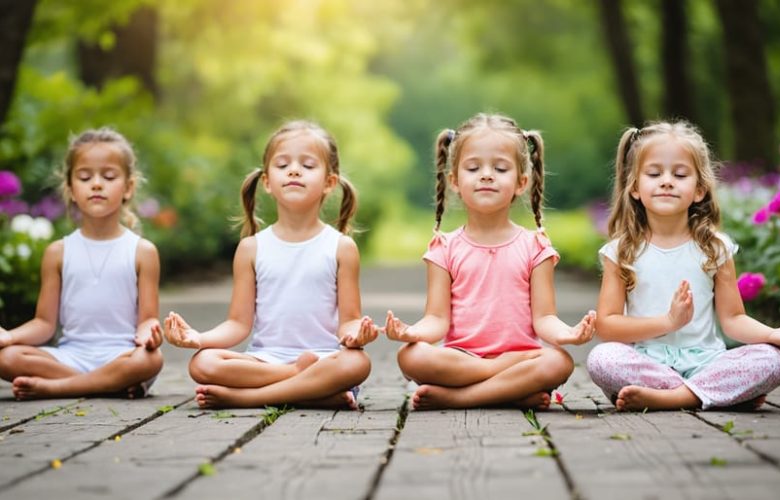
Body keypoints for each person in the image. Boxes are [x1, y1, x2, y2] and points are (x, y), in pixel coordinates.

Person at [587, 121, 780, 411]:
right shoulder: (621, 251)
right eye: (654, 173)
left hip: (707, 362)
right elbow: (607, 324)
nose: (667, 181)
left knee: (774, 360)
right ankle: (715, 394)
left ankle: (674, 397)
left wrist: (773, 334)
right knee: (602, 359)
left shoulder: (714, 247)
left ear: (700, 190)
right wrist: (668, 322)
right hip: (648, 363)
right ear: (635, 188)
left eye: (680, 174)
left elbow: (732, 320)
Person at [385, 113, 596, 411]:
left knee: (558, 361)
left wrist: (568, 334)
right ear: (455, 181)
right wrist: (411, 332)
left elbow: (545, 318)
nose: (486, 175)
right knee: (410, 356)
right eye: (473, 167)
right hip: (464, 359)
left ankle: (460, 397)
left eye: (500, 168)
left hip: (522, 354)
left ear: (521, 182)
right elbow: (436, 319)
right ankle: (510, 390)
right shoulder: (444, 247)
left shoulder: (535, 246)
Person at [164, 121, 376, 409]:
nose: (294, 170)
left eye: (308, 165)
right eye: (282, 164)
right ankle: (305, 386)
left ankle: (247, 398)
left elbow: (349, 320)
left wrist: (356, 334)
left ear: (329, 182)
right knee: (203, 361)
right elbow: (238, 324)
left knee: (357, 363)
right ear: (266, 182)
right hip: (265, 360)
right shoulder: (251, 248)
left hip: (324, 358)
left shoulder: (341, 247)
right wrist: (197, 337)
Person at [0, 128, 163, 399]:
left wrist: (150, 335)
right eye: (85, 177)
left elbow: (147, 320)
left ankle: (59, 388)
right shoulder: (58, 252)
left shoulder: (142, 251)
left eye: (109, 176)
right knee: (7, 358)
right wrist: (9, 337)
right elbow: (44, 323)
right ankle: (110, 385)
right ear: (71, 189)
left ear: (128, 187)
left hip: (121, 355)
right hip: (70, 356)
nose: (96, 184)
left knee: (151, 360)